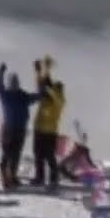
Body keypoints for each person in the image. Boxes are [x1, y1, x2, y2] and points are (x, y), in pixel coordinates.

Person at [0, 62, 44, 190]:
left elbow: (40, 95)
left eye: (15, 82)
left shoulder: (21, 96)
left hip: (18, 129)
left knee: (15, 154)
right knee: (8, 153)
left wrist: (38, 73)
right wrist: (0, 72)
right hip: (10, 129)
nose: (14, 84)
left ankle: (12, 176)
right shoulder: (8, 95)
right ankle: (6, 177)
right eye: (13, 82)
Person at [31, 57, 67, 190]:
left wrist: (49, 89)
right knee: (38, 155)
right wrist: (39, 71)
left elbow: (49, 89)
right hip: (39, 129)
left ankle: (53, 178)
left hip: (50, 131)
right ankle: (39, 177)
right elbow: (41, 84)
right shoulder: (46, 98)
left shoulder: (60, 101)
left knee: (49, 155)